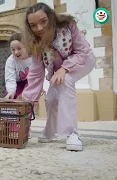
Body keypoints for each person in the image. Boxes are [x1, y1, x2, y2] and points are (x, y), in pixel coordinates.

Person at [22, 2, 96, 151]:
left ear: (50, 16)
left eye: (43, 22)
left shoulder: (68, 26)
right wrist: (28, 100)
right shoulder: (35, 42)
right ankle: (50, 132)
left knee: (66, 80)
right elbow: (36, 73)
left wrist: (64, 68)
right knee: (50, 99)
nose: (39, 28)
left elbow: (83, 51)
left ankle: (72, 133)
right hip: (58, 72)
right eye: (33, 25)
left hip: (84, 61)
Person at [4, 32, 33, 138]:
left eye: (19, 48)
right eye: (13, 49)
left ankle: (26, 126)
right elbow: (10, 78)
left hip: (29, 80)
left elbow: (36, 75)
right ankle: (12, 126)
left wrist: (39, 86)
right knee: (10, 100)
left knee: (28, 100)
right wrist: (11, 91)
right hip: (16, 82)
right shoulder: (10, 61)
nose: (16, 52)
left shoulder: (33, 57)